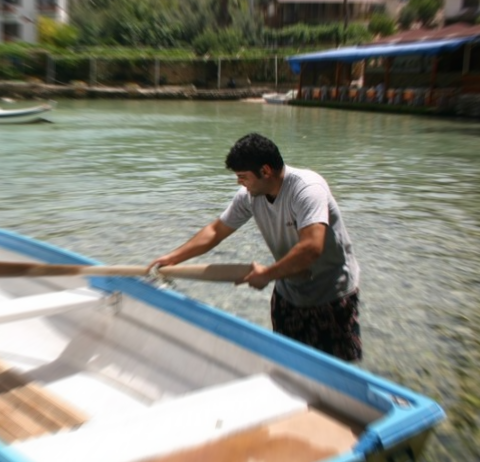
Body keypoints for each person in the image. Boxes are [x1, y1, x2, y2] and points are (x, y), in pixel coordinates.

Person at [147, 133, 362, 361]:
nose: (239, 183)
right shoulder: (250, 196)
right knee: (286, 363)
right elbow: (215, 232)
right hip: (288, 292)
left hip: (331, 294)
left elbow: (311, 247)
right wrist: (172, 258)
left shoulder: (307, 189)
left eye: (243, 177)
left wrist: (267, 275)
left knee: (335, 373)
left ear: (266, 171)